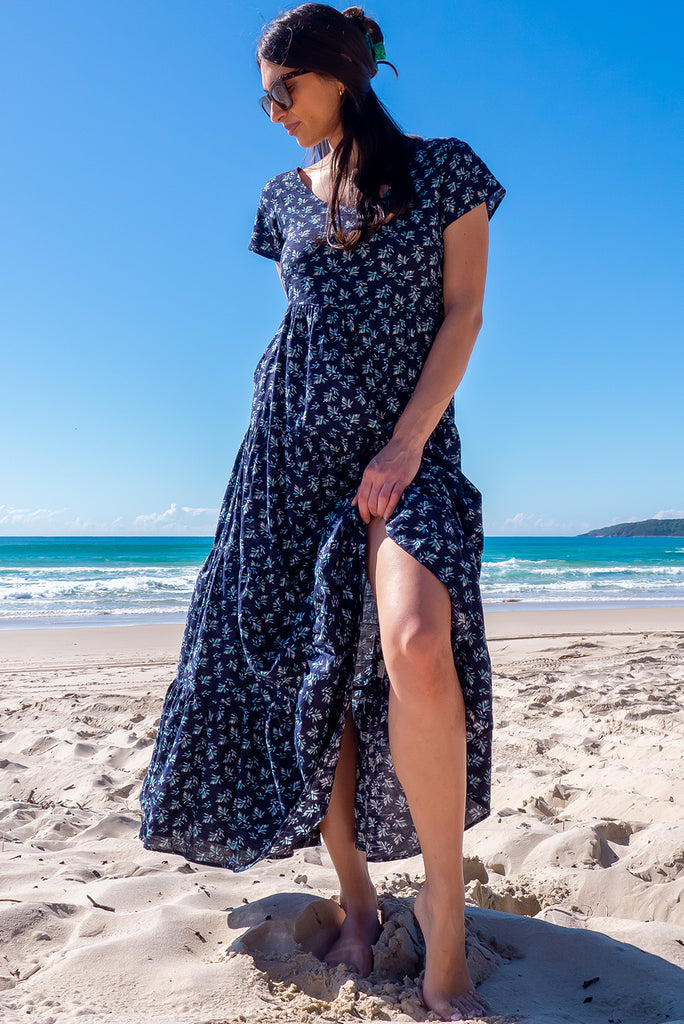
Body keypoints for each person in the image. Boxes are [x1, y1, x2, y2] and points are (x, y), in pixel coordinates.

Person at [138, 4, 505, 1021]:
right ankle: (354, 897)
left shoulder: (445, 172)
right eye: (264, 96)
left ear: (340, 74)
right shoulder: (282, 200)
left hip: (408, 457)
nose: (271, 112)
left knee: (415, 643)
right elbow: (304, 330)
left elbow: (465, 312)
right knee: (322, 689)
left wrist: (404, 441)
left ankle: (444, 912)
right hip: (289, 465)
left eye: (280, 91)